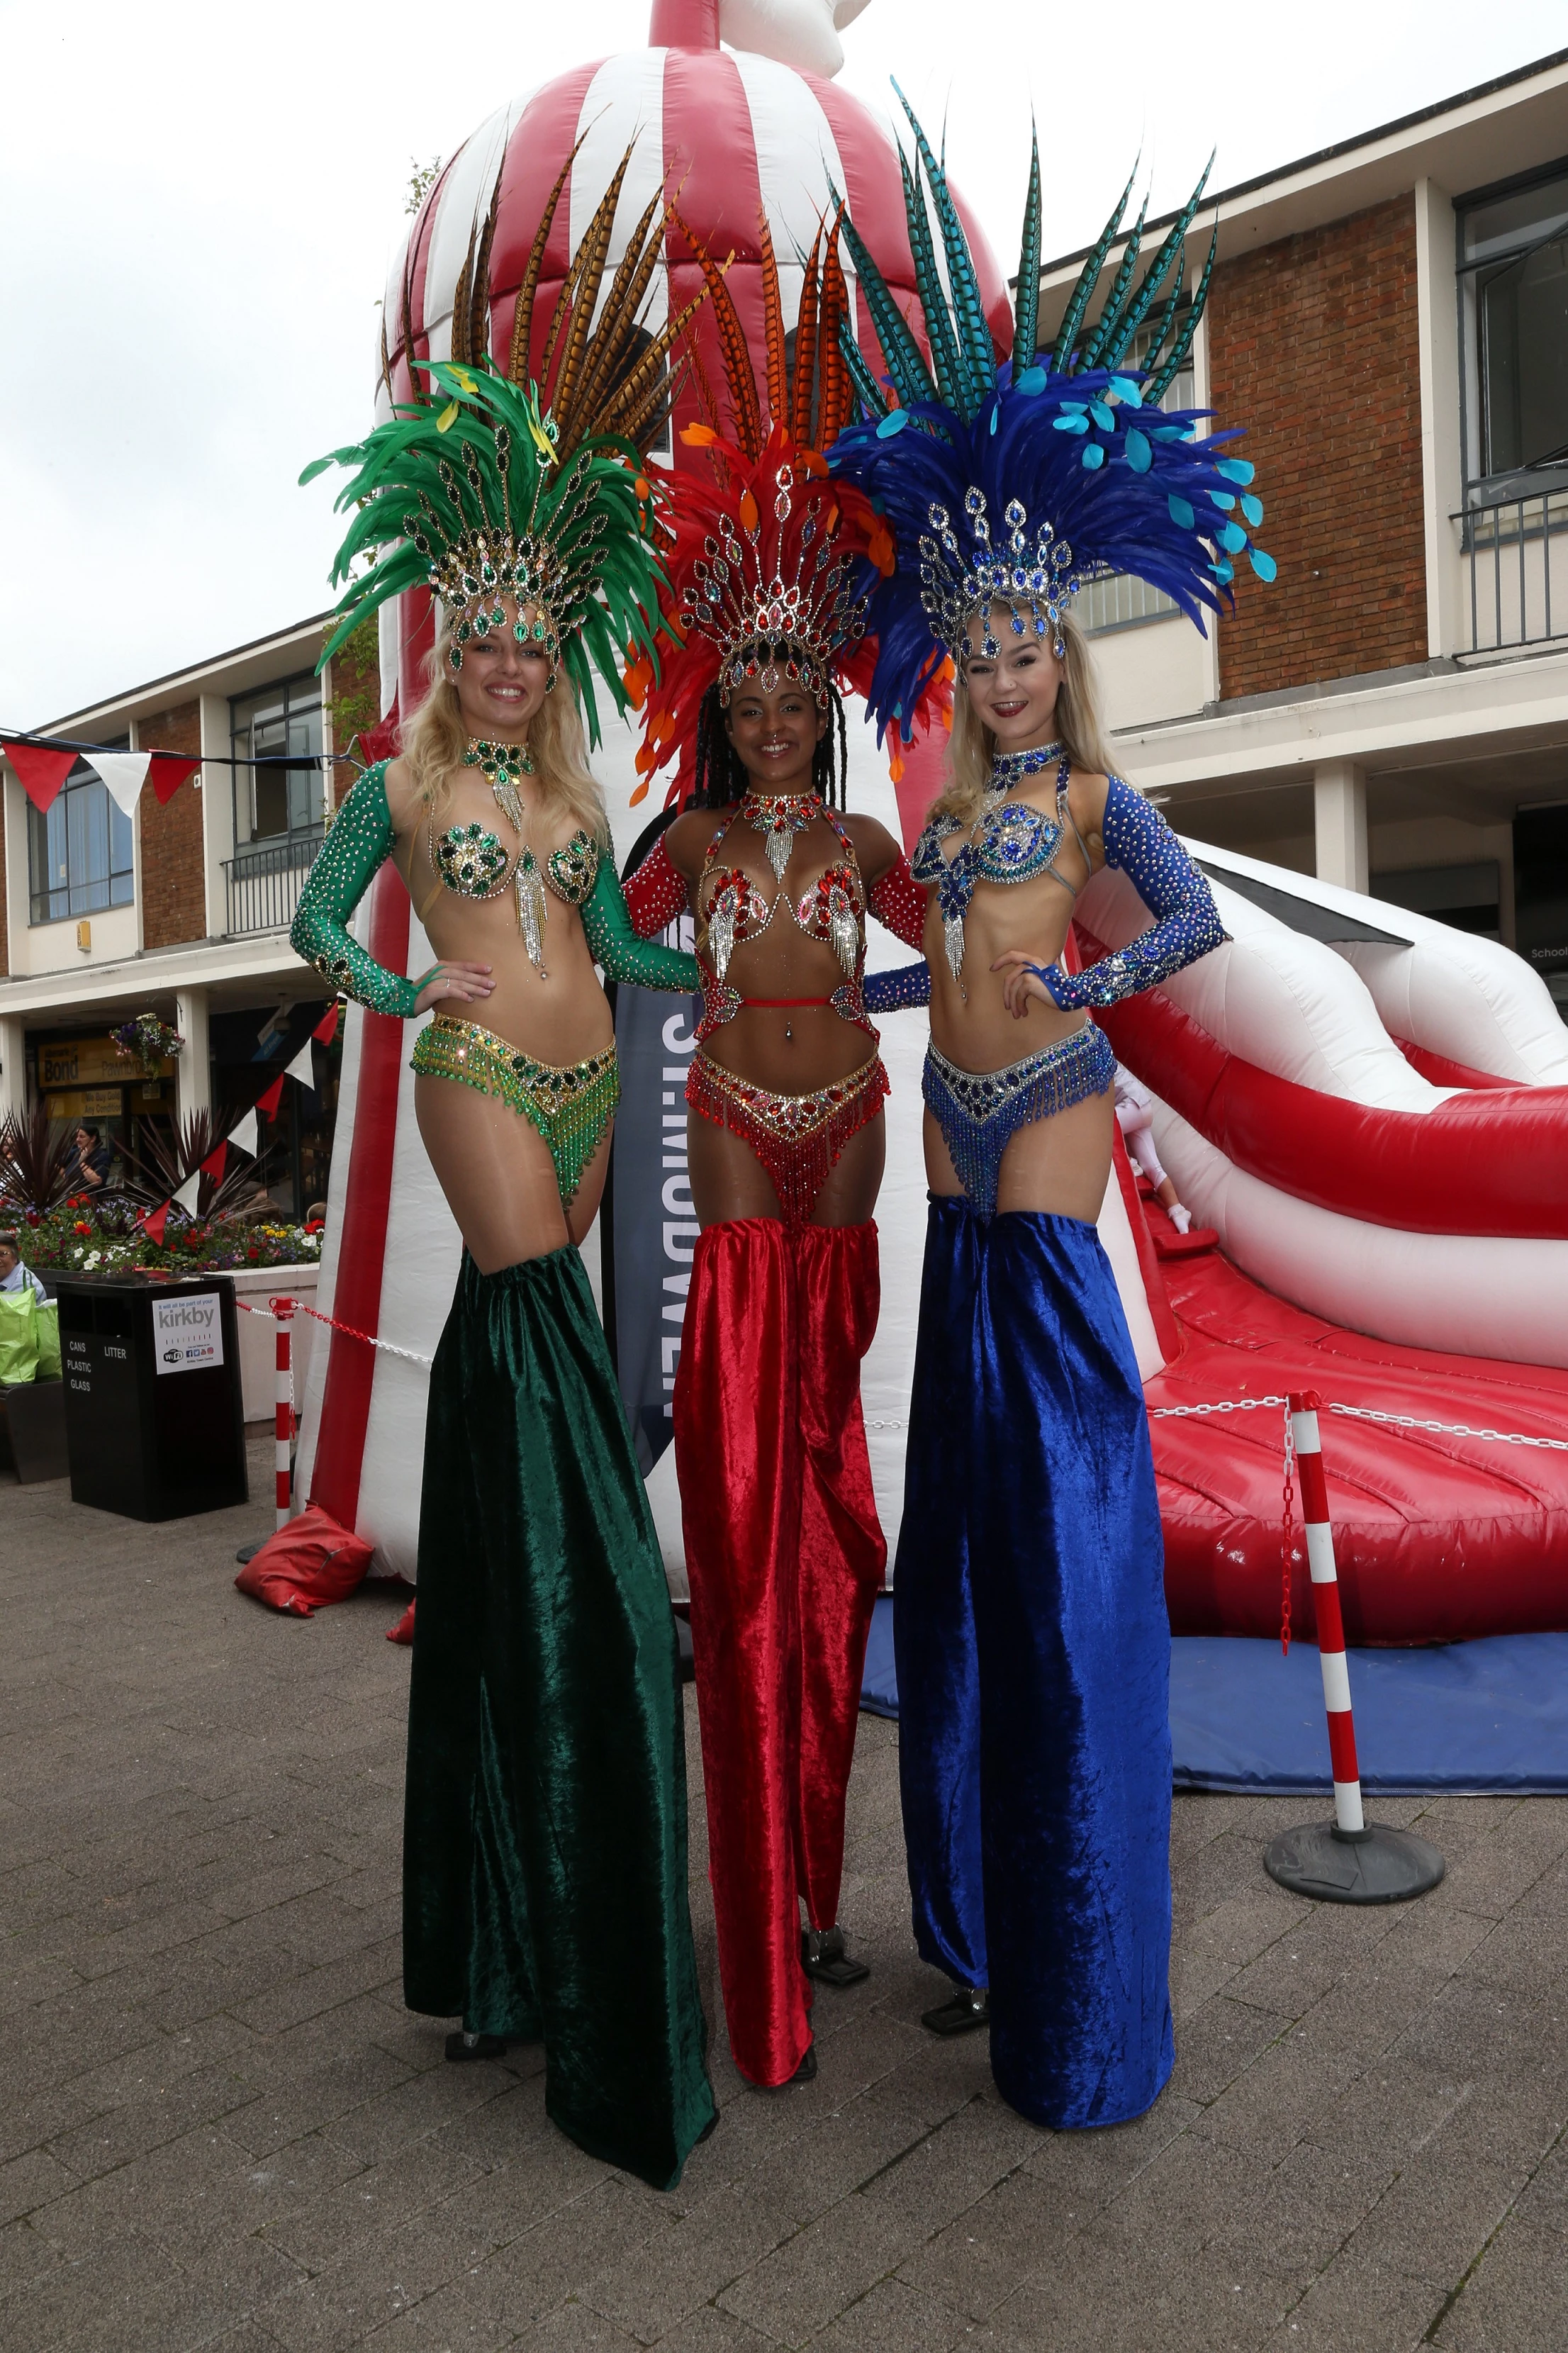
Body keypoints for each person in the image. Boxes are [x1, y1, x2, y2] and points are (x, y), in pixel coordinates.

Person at [834, 100, 1264, 2129]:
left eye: (1027, 643)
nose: (1005, 671)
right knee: (967, 1515)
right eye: (979, 646)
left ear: (1057, 651)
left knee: (1071, 1500)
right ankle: (978, 1907)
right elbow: (949, 951)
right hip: (946, 1115)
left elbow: (1175, 925)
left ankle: (1083, 1955)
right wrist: (876, 993)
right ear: (957, 655)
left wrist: (1082, 984)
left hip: (1058, 1113)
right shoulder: (941, 811)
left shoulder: (1098, 801)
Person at [291, 165, 719, 2189]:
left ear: (559, 655)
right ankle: (600, 1628)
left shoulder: (571, 786)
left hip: (582, 1074)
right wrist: (404, 973)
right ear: (452, 635)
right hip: (473, 1070)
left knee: (516, 1376)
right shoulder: (405, 779)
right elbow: (311, 922)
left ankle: (512, 1851)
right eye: (488, 643)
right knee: (545, 1344)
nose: (509, 671)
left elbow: (624, 960)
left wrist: (689, 941)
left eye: (539, 650)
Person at [621, 229, 934, 2090]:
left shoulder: (872, 832)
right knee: (744, 1493)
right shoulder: (686, 839)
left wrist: (996, 992)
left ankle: (815, 1858)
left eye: (787, 688)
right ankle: (757, 1871)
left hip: (862, 1133)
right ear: (711, 701)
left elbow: (951, 925)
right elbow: (605, 915)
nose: (762, 712)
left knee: (827, 1490)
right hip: (737, 1131)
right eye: (736, 691)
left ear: (820, 691)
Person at [1114, 1064, 1194, 1233]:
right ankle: (1178, 1211)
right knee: (1153, 1167)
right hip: (1143, 1107)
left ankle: (1131, 1163)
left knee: (1098, 1130)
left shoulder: (1092, 1057)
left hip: (1131, 1105)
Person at [0, 1231, 48, 1304]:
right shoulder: (6, 1276)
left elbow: (10, 1314)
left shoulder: (25, 1287)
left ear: (15, 1257)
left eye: (3, 1254)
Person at [72, 1125, 112, 1191]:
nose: (77, 1140)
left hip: (92, 1198)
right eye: (77, 1137)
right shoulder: (75, 1153)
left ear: (93, 1139)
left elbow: (97, 1181)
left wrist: (82, 1163)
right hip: (73, 1196)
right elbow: (58, 1164)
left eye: (82, 1137)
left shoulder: (102, 1156)